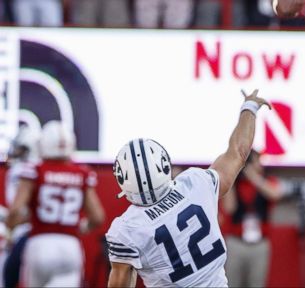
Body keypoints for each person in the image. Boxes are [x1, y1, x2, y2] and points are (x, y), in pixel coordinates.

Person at [105, 89, 271, 287]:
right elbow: (238, 152)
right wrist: (249, 107)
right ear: (163, 164)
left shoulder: (127, 228)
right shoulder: (194, 184)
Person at [5, 120, 105, 287]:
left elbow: (15, 211)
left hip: (39, 244)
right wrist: (79, 228)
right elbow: (97, 217)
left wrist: (10, 228)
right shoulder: (82, 173)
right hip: (70, 246)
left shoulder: (34, 170)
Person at [220, 149, 289, 287]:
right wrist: (232, 176)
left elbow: (276, 194)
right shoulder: (235, 183)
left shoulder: (266, 180)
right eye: (256, 161)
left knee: (257, 283)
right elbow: (229, 208)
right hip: (236, 242)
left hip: (259, 244)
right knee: (232, 282)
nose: (259, 164)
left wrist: (254, 178)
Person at [3, 125, 40, 288]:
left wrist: (9, 225)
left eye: (19, 148)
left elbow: (20, 210)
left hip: (26, 232)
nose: (14, 151)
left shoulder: (22, 171)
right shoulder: (39, 168)